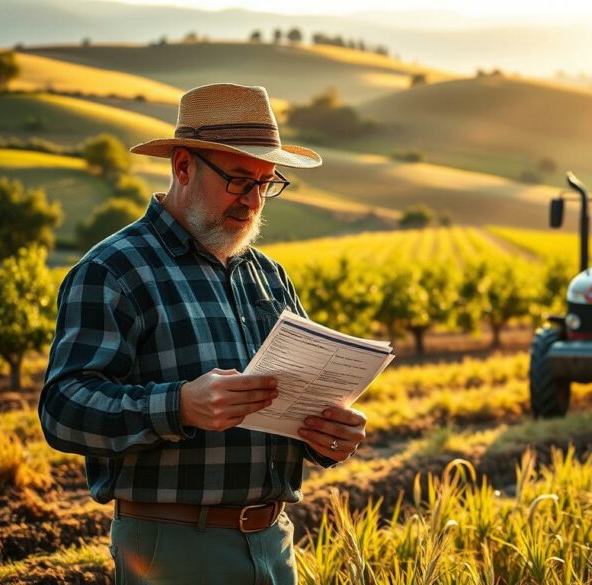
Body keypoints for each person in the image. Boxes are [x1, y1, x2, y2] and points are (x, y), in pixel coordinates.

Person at [38, 83, 367, 585]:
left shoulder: (270, 276)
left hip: (274, 543)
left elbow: (297, 405)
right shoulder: (114, 270)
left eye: (265, 182)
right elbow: (63, 410)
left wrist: (329, 436)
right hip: (172, 551)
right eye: (238, 179)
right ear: (183, 166)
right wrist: (180, 406)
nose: (254, 199)